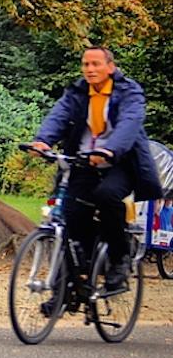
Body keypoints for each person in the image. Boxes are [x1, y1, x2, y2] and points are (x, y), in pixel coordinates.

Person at [31, 46, 162, 294]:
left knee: (107, 195)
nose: (90, 69)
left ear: (110, 67)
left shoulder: (128, 92)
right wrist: (43, 140)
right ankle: (67, 288)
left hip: (119, 164)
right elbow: (58, 116)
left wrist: (110, 149)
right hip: (83, 163)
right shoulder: (78, 92)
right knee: (70, 215)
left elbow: (129, 123)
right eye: (85, 64)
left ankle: (119, 258)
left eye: (95, 64)